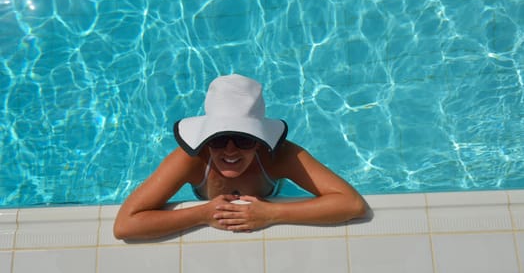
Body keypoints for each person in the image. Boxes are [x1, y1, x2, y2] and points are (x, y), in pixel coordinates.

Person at [114, 74, 367, 240]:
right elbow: (125, 224)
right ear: (206, 140)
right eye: (219, 139)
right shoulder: (191, 160)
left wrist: (272, 214)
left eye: (245, 139)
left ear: (259, 142)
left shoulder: (282, 156)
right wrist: (202, 214)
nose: (231, 151)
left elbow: (351, 204)